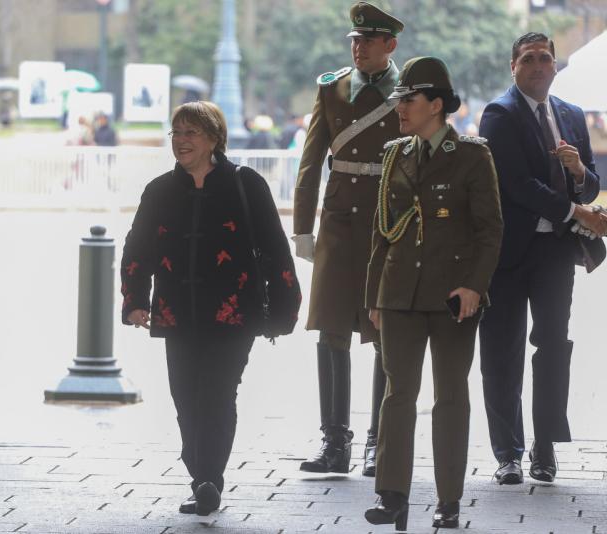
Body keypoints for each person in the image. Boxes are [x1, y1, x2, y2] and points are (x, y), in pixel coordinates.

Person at [120, 101, 301, 516]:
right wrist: (135, 300)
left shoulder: (246, 183)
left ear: (215, 138)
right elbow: (138, 248)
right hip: (176, 311)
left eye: (191, 133)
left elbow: (275, 249)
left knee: (218, 393)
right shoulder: (160, 190)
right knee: (185, 397)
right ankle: (199, 471)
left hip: (233, 313)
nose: (181, 141)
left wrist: (283, 310)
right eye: (176, 133)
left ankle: (208, 479)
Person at [363, 56, 503, 531]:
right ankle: (391, 496)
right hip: (399, 293)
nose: (400, 108)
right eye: (400, 99)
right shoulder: (394, 155)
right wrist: (374, 295)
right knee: (397, 394)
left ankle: (448, 500)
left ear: (437, 105)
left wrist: (475, 286)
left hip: (453, 297)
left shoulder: (472, 156)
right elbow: (383, 231)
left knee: (450, 397)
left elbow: (490, 230)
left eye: (410, 99)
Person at [478, 32, 607, 486]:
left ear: (555, 66)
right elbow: (516, 184)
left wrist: (579, 172)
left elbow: (591, 184)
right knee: (502, 351)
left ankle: (545, 445)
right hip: (508, 253)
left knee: (553, 346)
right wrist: (579, 212)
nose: (537, 66)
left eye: (545, 58)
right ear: (513, 66)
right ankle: (508, 452)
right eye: (528, 59)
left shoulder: (571, 114)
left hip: (555, 251)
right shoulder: (499, 113)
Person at [292, 1, 403, 477]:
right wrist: (303, 228)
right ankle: (334, 441)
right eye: (355, 41)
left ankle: (380, 442)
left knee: (385, 334)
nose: (359, 48)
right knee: (331, 330)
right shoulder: (331, 89)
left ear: (389, 45)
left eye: (368, 41)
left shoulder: (409, 91)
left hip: (388, 223)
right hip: (338, 224)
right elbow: (310, 163)